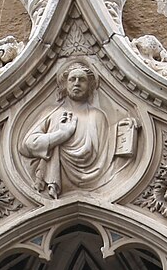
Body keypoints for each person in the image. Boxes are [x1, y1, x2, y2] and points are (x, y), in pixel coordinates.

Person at [21, 60, 114, 197]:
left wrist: (126, 129)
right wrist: (61, 135)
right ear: (65, 85)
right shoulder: (52, 113)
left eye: (82, 80)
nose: (77, 83)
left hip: (95, 177)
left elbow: (107, 151)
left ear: (89, 86)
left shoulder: (98, 116)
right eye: (72, 79)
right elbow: (27, 145)